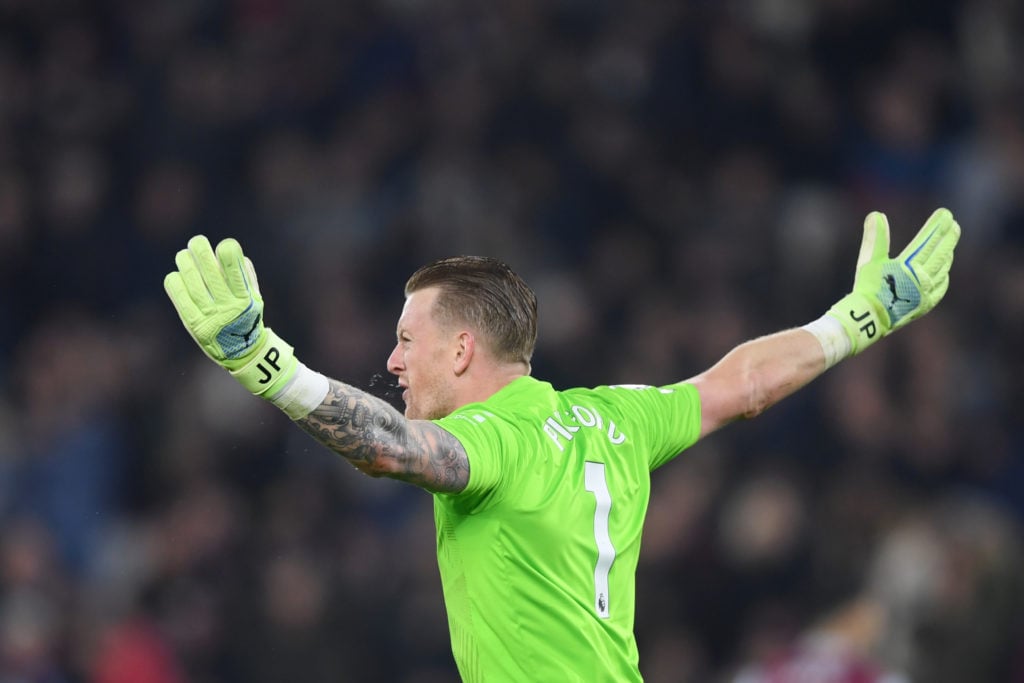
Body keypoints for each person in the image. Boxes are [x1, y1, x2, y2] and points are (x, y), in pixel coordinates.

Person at [164, 208, 960, 682]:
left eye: (408, 340)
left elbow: (391, 447)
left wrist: (269, 366)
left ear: (464, 349)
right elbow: (739, 384)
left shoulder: (494, 442)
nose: (395, 360)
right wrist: (859, 319)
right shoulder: (616, 418)